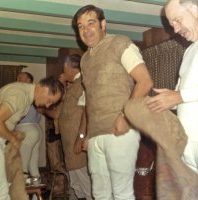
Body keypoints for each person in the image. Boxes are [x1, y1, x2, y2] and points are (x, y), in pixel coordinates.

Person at [74, 5, 153, 200]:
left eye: (90, 23)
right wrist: (87, 134)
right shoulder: (85, 59)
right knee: (99, 194)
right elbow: (91, 99)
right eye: (80, 26)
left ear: (103, 24)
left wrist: (125, 117)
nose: (85, 30)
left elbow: (145, 81)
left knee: (122, 193)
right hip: (95, 136)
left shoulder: (120, 43)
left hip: (120, 130)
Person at [147, 0, 198, 174]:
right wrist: (168, 100)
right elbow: (182, 95)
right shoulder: (190, 51)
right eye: (171, 24)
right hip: (187, 147)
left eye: (177, 20)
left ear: (194, 9)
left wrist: (179, 96)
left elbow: (182, 95)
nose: (175, 29)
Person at [0, 76, 64, 200]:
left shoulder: (26, 97)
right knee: (1, 191)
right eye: (50, 100)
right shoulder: (20, 95)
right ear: (43, 88)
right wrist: (13, 138)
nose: (48, 105)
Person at [44, 54, 93, 200]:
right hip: (70, 146)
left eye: (64, 68)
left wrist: (81, 137)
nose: (63, 72)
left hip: (76, 143)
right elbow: (61, 111)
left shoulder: (83, 83)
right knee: (75, 185)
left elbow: (87, 110)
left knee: (85, 185)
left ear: (68, 67)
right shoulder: (73, 86)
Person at [15, 72, 43, 183]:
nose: (17, 80)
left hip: (26, 129)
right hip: (36, 129)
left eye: (20, 78)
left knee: (23, 168)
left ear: (28, 80)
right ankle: (37, 196)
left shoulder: (25, 92)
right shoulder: (37, 92)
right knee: (33, 166)